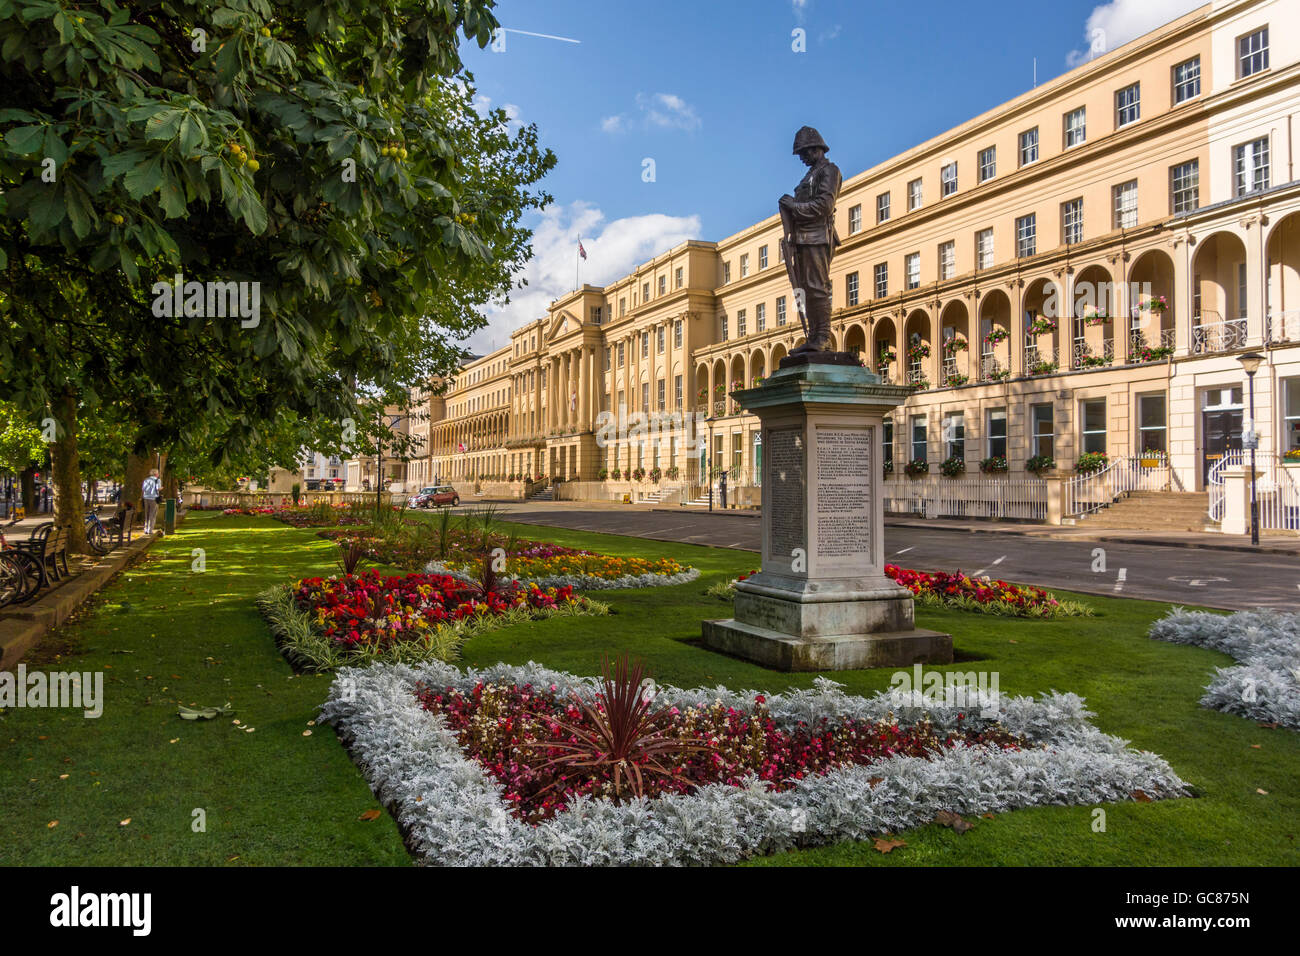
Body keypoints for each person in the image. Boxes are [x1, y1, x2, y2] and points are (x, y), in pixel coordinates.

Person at [778, 126, 843, 354]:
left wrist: (793, 206)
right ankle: (814, 336)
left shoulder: (830, 171)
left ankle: (823, 336)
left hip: (817, 237)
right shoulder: (810, 175)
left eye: (805, 153)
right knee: (805, 289)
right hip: (803, 239)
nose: (803, 159)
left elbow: (825, 206)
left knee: (817, 287)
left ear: (817, 148)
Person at [142, 469, 162, 535]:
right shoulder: (157, 480)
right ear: (156, 474)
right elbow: (157, 488)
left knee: (146, 514)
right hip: (154, 498)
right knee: (152, 514)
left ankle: (146, 529)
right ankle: (150, 529)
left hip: (146, 498)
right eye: (158, 473)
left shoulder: (146, 480)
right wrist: (161, 488)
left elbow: (143, 489)